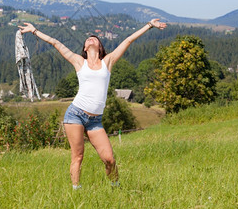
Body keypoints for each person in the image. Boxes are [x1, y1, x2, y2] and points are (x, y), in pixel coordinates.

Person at [18, 18, 167, 189]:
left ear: (100, 47)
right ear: (84, 48)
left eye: (95, 38)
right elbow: (55, 43)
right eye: (88, 39)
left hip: (95, 121)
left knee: (109, 159)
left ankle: (116, 188)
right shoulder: (78, 62)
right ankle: (76, 192)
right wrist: (34, 30)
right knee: (78, 156)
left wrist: (148, 25)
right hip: (75, 115)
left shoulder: (107, 62)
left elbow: (128, 40)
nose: (91, 38)